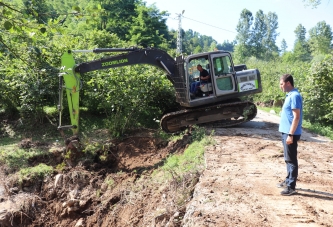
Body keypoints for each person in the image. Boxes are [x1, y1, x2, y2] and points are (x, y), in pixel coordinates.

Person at [277, 74, 303, 196]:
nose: (280, 86)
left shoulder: (295, 96)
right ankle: (288, 180)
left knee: (291, 160)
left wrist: (290, 134)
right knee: (288, 159)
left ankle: (291, 187)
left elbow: (296, 117)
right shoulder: (290, 95)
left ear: (288, 83)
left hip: (290, 133)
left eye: (281, 84)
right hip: (286, 132)